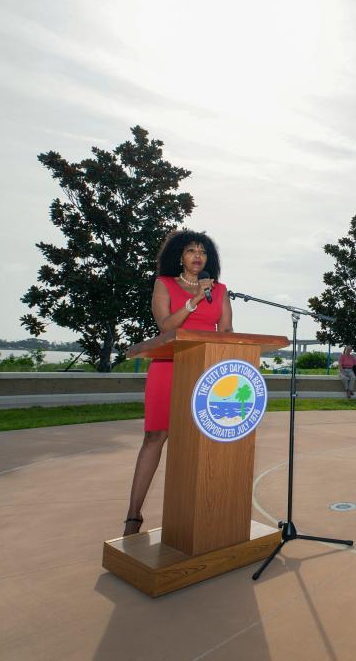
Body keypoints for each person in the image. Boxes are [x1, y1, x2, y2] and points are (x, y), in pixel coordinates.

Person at [124, 230, 232, 536]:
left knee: (200, 442)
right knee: (155, 438)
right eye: (191, 251)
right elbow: (166, 327)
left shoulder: (220, 290)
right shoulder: (165, 284)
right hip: (168, 368)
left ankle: (202, 513)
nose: (198, 256)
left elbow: (225, 330)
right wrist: (195, 300)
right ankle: (133, 514)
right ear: (179, 256)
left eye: (203, 252)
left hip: (205, 373)